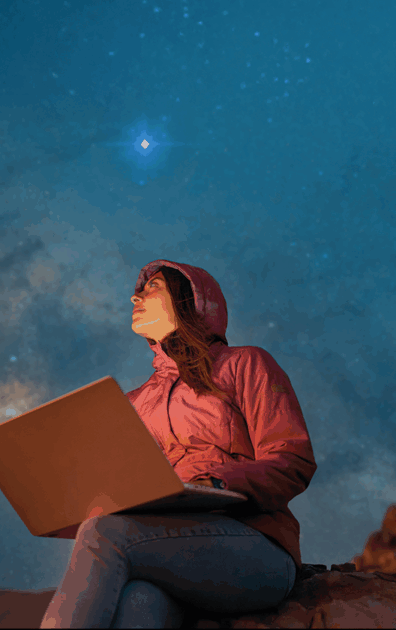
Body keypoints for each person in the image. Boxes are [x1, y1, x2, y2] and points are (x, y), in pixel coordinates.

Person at [39, 260, 317, 628]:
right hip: (163, 547)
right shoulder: (133, 402)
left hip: (254, 546)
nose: (135, 297)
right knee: (138, 601)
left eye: (153, 287)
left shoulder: (245, 364)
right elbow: (124, 484)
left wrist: (217, 483)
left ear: (191, 301)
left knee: (103, 532)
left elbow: (292, 459)